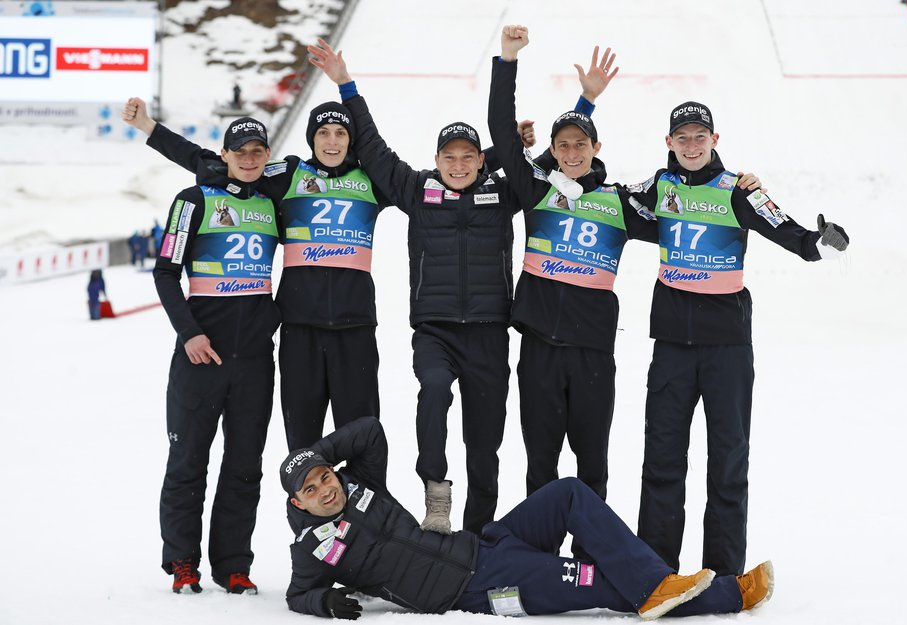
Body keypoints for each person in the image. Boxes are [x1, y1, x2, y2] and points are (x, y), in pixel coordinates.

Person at [304, 38, 612, 535]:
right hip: (436, 331)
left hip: (490, 332)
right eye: (450, 157)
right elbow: (373, 146)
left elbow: (563, 158)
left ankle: (478, 534)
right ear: (437, 160)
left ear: (480, 161)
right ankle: (436, 490)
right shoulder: (414, 189)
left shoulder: (506, 190)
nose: (459, 165)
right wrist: (346, 86)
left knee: (485, 441)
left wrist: (584, 103)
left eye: (469, 157)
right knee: (434, 389)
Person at [625, 101, 850, 576]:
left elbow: (790, 234)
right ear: (668, 143)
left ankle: (723, 575)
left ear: (714, 140)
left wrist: (821, 242)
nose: (690, 145)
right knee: (662, 459)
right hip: (670, 346)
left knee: (727, 460)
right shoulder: (658, 186)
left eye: (699, 137)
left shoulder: (739, 191)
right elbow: (607, 196)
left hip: (726, 347)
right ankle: (654, 572)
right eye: (681, 137)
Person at [280, 417, 774, 620]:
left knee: (567, 493)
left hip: (484, 544)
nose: (326, 489)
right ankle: (729, 593)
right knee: (598, 583)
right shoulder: (312, 546)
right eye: (312, 489)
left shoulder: (361, 485)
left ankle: (656, 584)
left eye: (325, 476)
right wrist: (326, 603)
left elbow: (368, 431)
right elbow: (297, 593)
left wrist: (311, 455)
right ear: (298, 504)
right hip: (477, 590)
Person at [123, 95, 387, 453]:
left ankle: (363, 510)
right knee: (303, 450)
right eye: (323, 132)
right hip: (300, 329)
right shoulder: (291, 174)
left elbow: (427, 178)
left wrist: (485, 162)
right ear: (311, 139)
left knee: (362, 440)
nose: (332, 141)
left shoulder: (370, 179)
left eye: (341, 132)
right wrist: (150, 128)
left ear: (351, 138)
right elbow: (216, 164)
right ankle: (306, 510)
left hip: (354, 328)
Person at [487, 26, 663, 543]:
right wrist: (507, 60)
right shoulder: (536, 191)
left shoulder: (618, 201)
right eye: (561, 146)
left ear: (594, 146)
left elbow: (682, 224)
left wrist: (739, 197)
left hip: (591, 354)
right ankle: (538, 554)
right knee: (540, 464)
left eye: (579, 144)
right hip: (539, 349)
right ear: (554, 151)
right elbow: (501, 131)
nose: (570, 152)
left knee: (592, 465)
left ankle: (592, 556)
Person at [152, 115, 281, 595]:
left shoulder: (274, 203)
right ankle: (182, 562)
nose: (249, 159)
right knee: (188, 461)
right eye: (239, 151)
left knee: (245, 465)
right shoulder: (193, 201)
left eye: (257, 151)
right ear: (223, 155)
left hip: (253, 361)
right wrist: (189, 333)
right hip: (200, 356)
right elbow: (165, 273)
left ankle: (232, 565)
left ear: (266, 156)